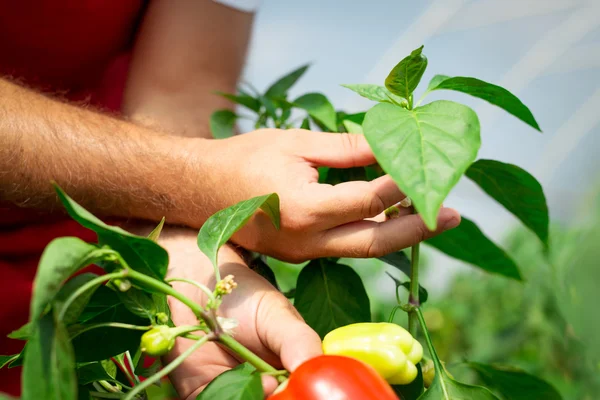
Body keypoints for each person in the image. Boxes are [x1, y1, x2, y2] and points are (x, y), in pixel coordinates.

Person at [0, 1, 460, 398]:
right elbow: (189, 168)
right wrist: (204, 182)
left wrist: (183, 258)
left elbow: (179, 99)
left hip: (91, 274)